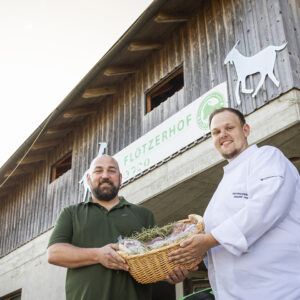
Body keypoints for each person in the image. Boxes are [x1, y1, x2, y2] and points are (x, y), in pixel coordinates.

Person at [169, 108, 300, 299]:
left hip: (278, 290)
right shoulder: (222, 189)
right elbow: (217, 245)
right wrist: (186, 261)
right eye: (216, 132)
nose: (223, 135)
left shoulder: (266, 157)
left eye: (229, 127)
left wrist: (206, 241)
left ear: (246, 130)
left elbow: (265, 207)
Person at [48, 154, 188, 300]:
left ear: (120, 178)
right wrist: (98, 255)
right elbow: (54, 253)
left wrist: (171, 273)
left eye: (111, 170)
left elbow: (156, 260)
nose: (105, 175)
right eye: (98, 171)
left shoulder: (143, 214)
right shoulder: (71, 213)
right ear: (88, 179)